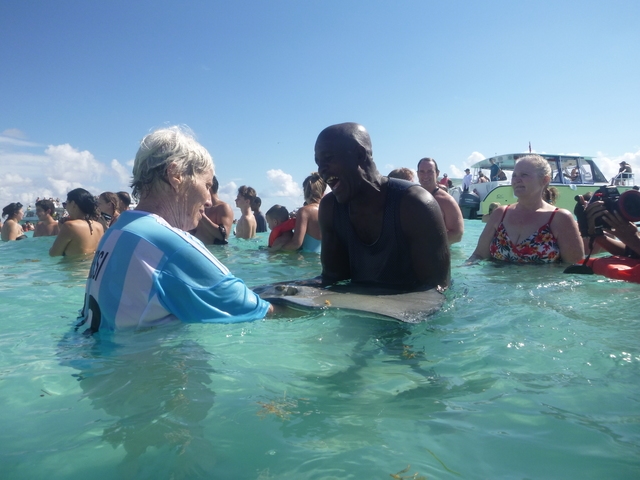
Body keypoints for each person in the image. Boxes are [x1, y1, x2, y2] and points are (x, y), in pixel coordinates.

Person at [75, 126, 274, 334]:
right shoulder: (171, 246)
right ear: (176, 174)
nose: (208, 200)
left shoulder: (116, 232)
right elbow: (263, 311)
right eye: (207, 185)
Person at [315, 123, 450, 290]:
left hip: (408, 313)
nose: (321, 170)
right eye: (318, 163)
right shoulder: (330, 209)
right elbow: (331, 280)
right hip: (358, 307)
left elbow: (436, 291)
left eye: (328, 158)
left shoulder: (415, 204)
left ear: (359, 154)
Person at [469, 154, 584, 264]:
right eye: (514, 175)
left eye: (524, 175)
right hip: (496, 283)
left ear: (544, 180)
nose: (516, 180)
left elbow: (574, 269)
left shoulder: (560, 218)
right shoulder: (500, 214)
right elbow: (478, 255)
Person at [416, 157, 464, 244]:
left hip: (437, 252)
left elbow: (457, 235)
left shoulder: (447, 201)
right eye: (422, 172)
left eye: (430, 171)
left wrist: (426, 243)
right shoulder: (411, 196)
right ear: (417, 174)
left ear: (437, 173)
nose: (425, 175)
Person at [278, 172, 326, 253]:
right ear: (322, 192)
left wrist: (275, 250)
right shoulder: (328, 210)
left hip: (308, 262)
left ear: (305, 191)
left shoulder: (304, 211)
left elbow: (296, 244)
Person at [50, 188, 105, 257]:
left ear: (73, 204)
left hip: (73, 267)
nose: (65, 207)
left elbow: (54, 254)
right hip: (92, 267)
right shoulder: (99, 226)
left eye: (66, 204)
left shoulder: (69, 226)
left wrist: (62, 228)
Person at [193, 175, 234, 245]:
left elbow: (223, 236)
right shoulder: (203, 208)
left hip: (214, 254)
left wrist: (202, 215)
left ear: (208, 188)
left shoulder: (223, 207)